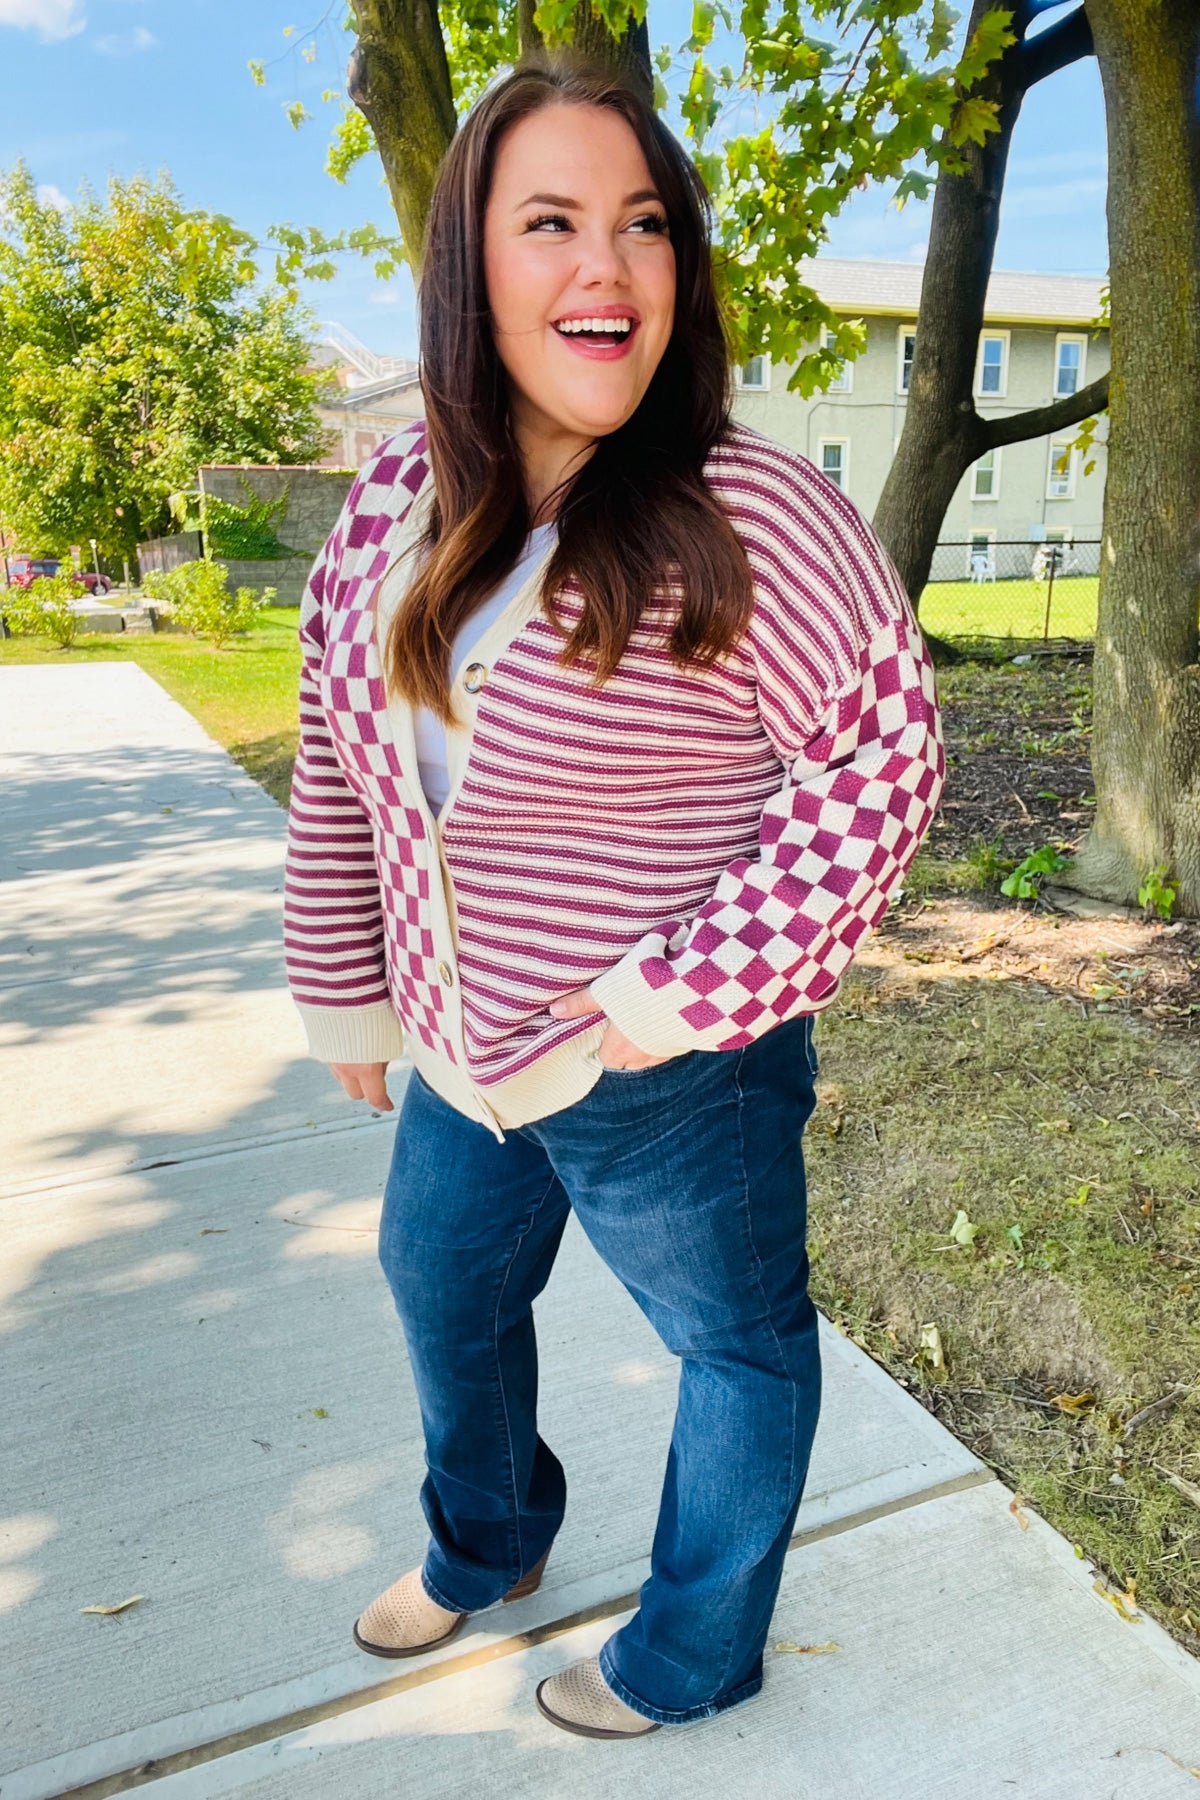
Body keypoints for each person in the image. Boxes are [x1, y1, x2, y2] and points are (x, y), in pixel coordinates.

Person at [283, 49, 944, 1741]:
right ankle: (491, 1539)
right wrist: (348, 988)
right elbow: (341, 767)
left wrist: (676, 996)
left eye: (644, 227)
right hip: (460, 1051)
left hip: (674, 1074)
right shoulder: (385, 515)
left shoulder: (751, 510)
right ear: (470, 268)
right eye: (552, 221)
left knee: (736, 1348)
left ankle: (694, 1647)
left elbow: (886, 770)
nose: (607, 268)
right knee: (439, 1284)